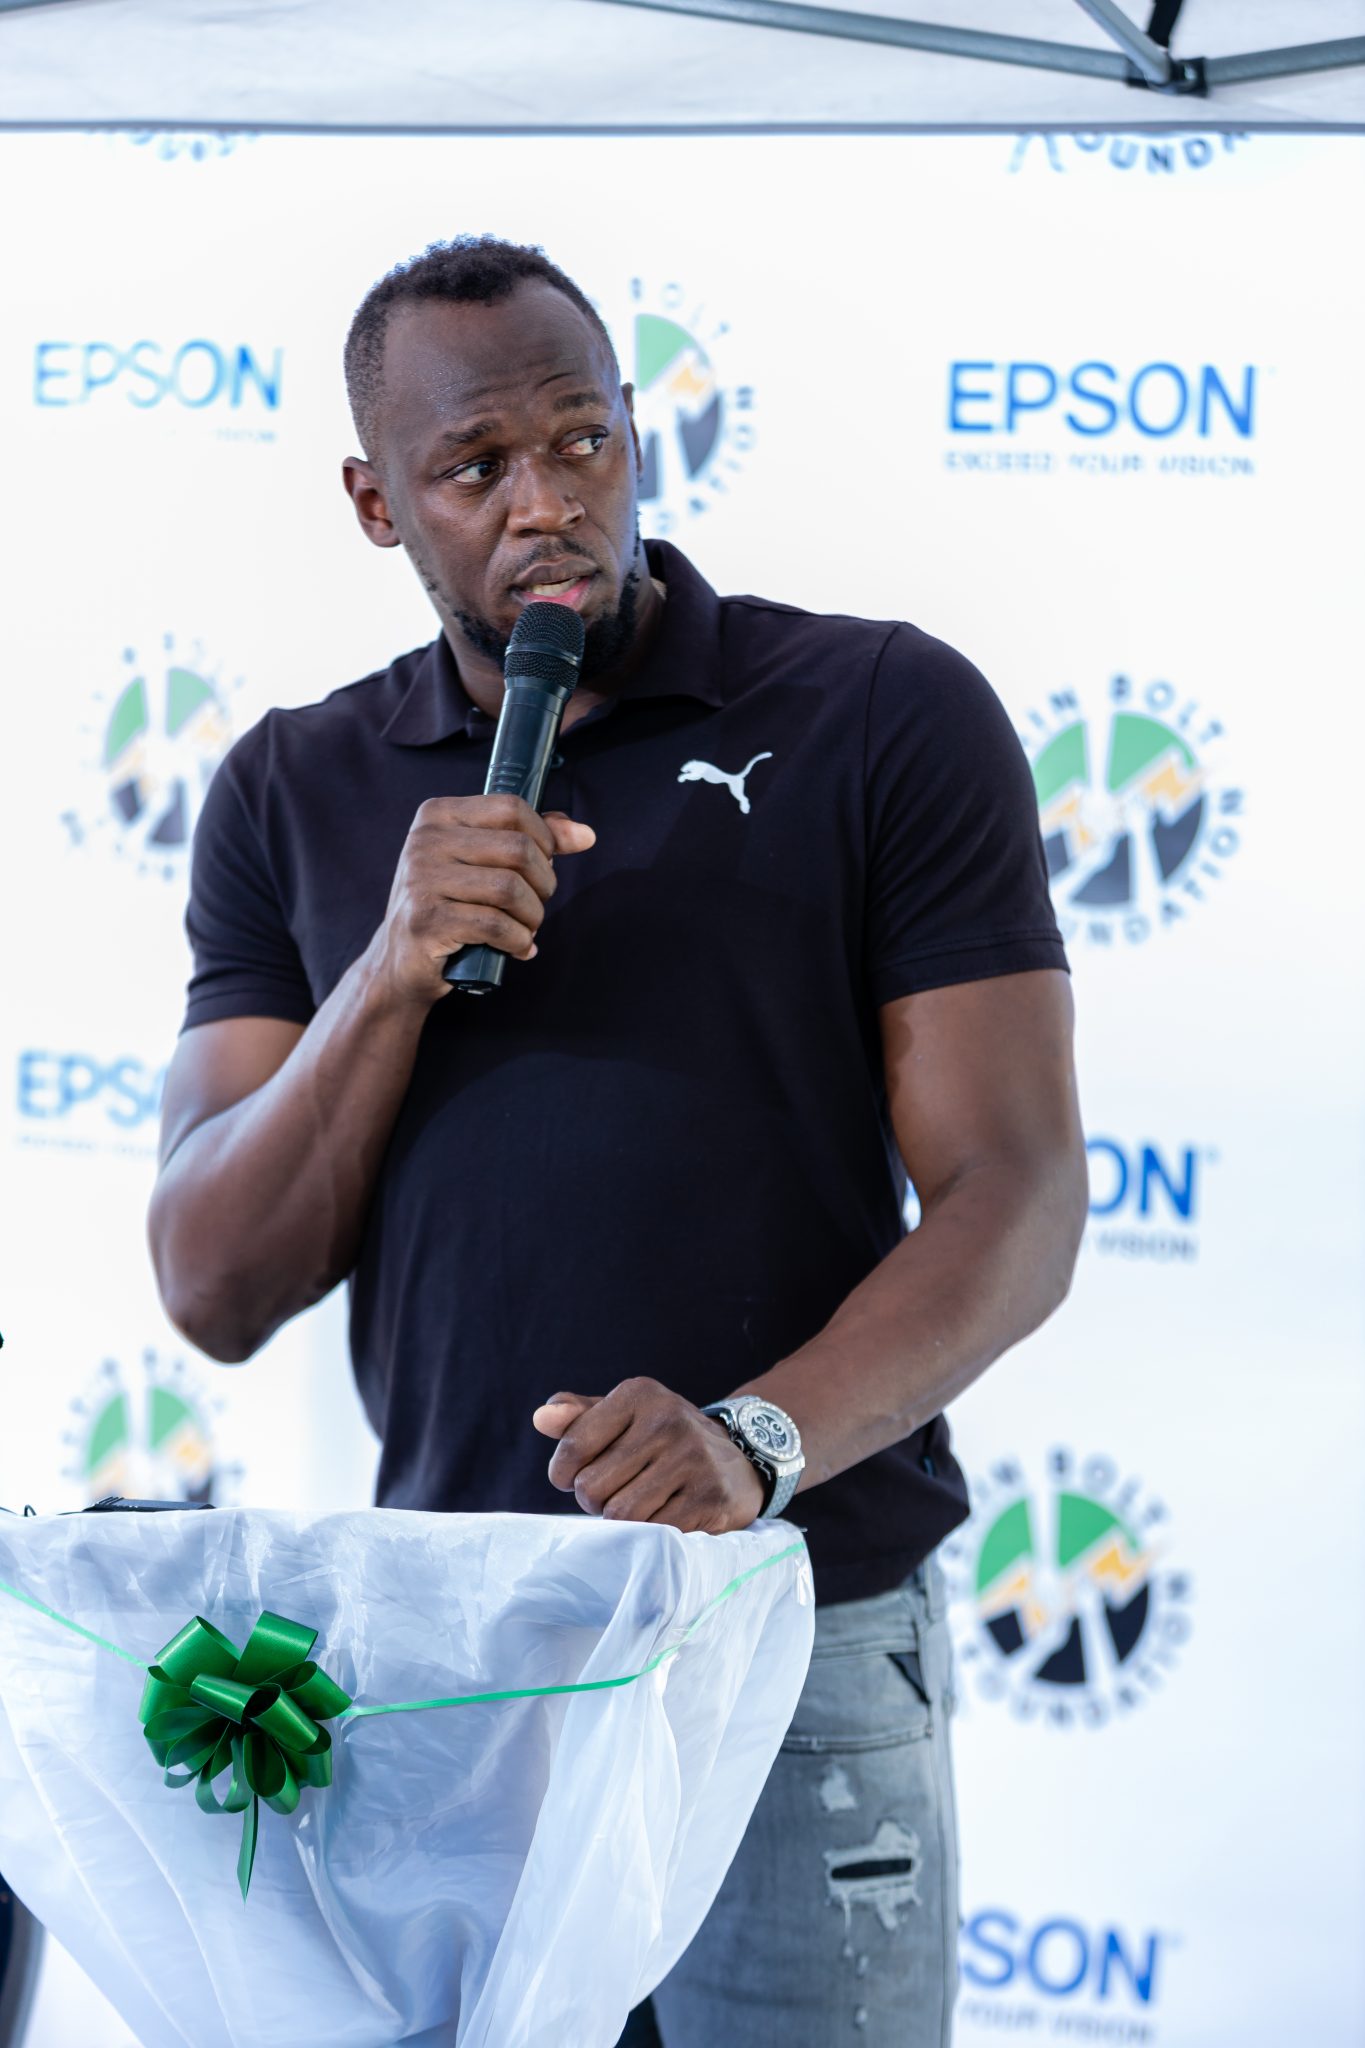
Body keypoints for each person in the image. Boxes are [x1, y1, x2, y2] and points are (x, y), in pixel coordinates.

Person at [148, 236, 1088, 2048]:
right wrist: (389, 973)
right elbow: (212, 1283)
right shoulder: (292, 785)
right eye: (474, 466)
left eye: (580, 440)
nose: (545, 504)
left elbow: (1019, 1195)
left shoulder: (878, 711)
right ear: (375, 503)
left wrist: (753, 1441)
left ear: (638, 432)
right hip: (455, 1656)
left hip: (793, 1627)